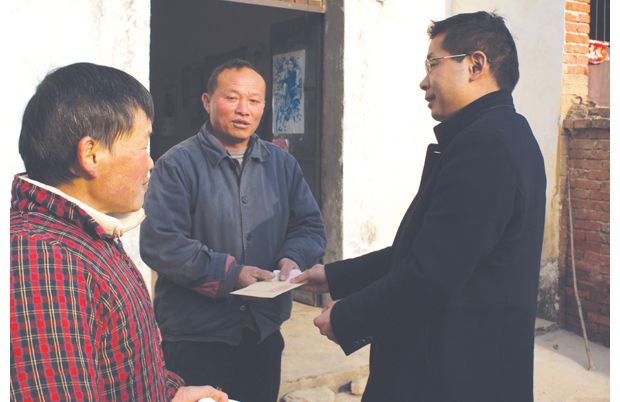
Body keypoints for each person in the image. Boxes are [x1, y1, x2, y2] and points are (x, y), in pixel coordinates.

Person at [293, 11, 547, 402]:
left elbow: (431, 274)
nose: (424, 81)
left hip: (455, 375)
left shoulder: (487, 146)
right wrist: (333, 276)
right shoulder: (499, 135)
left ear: (475, 65)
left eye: (433, 64)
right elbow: (425, 251)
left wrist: (347, 317)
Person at [10, 62, 227, 402]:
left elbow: (118, 364)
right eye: (143, 146)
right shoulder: (44, 259)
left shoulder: (84, 234)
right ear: (91, 155)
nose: (150, 162)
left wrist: (169, 393)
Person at [140, 59, 326, 402]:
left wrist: (292, 258)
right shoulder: (177, 165)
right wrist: (229, 274)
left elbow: (309, 225)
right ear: (207, 101)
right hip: (196, 336)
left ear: (264, 106)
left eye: (254, 101)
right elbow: (160, 242)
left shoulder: (282, 164)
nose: (244, 110)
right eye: (232, 98)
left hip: (262, 331)